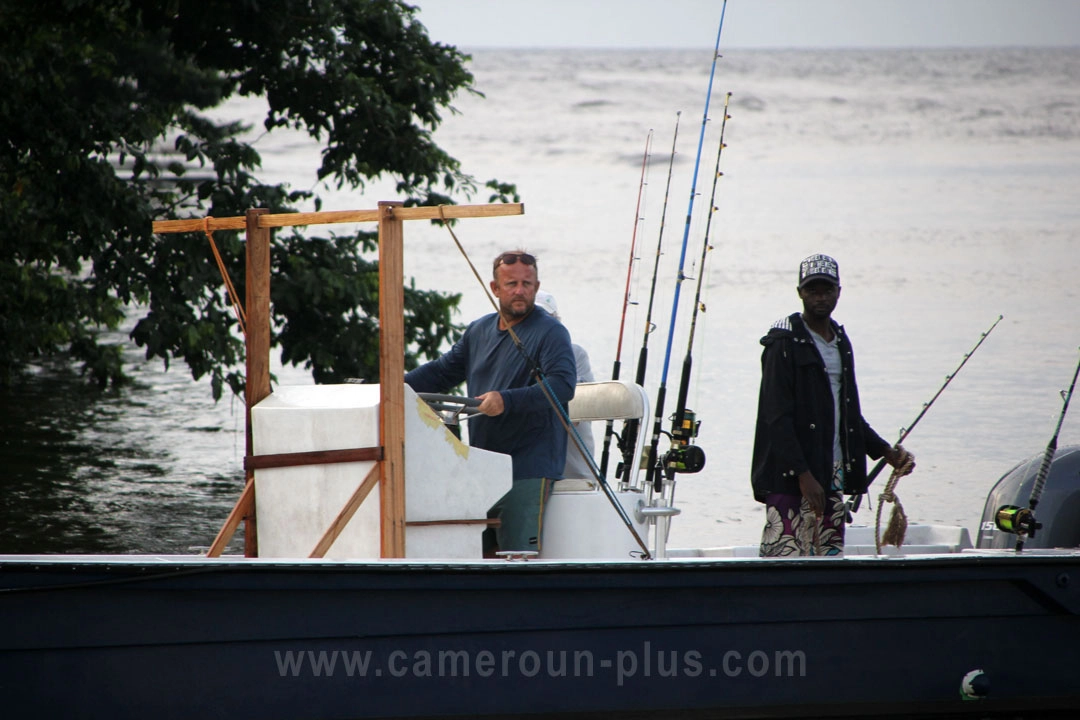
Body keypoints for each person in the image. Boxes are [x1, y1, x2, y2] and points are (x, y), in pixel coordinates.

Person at [405, 250, 576, 555]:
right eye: (511, 284)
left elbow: (562, 386)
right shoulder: (478, 331)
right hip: (482, 467)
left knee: (517, 558)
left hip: (528, 468)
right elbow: (442, 372)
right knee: (471, 556)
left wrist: (506, 401)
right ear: (495, 288)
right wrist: (390, 389)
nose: (520, 291)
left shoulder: (551, 332)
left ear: (537, 287)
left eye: (527, 283)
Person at [751, 253, 914, 557]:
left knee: (828, 557)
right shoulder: (783, 342)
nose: (820, 297)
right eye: (813, 290)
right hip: (790, 475)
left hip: (833, 471)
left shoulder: (840, 340)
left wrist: (885, 451)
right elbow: (776, 417)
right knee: (783, 560)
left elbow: (848, 415)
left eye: (827, 290)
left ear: (839, 291)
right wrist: (803, 475)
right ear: (800, 292)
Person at [535, 290, 596, 479]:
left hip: (574, 476)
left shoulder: (575, 354)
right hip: (528, 475)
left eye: (545, 318)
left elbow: (575, 412)